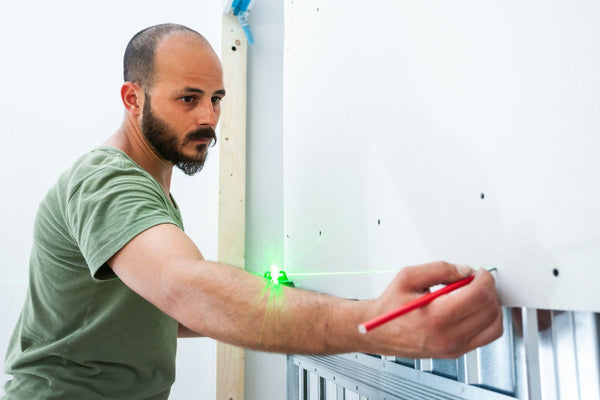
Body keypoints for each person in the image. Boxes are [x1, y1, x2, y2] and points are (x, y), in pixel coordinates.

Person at [2, 23, 503, 399]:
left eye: (216, 99)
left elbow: (156, 313)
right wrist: (369, 322)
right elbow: (186, 286)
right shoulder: (107, 182)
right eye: (188, 98)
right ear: (133, 99)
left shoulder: (151, 194)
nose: (209, 117)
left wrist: (275, 298)